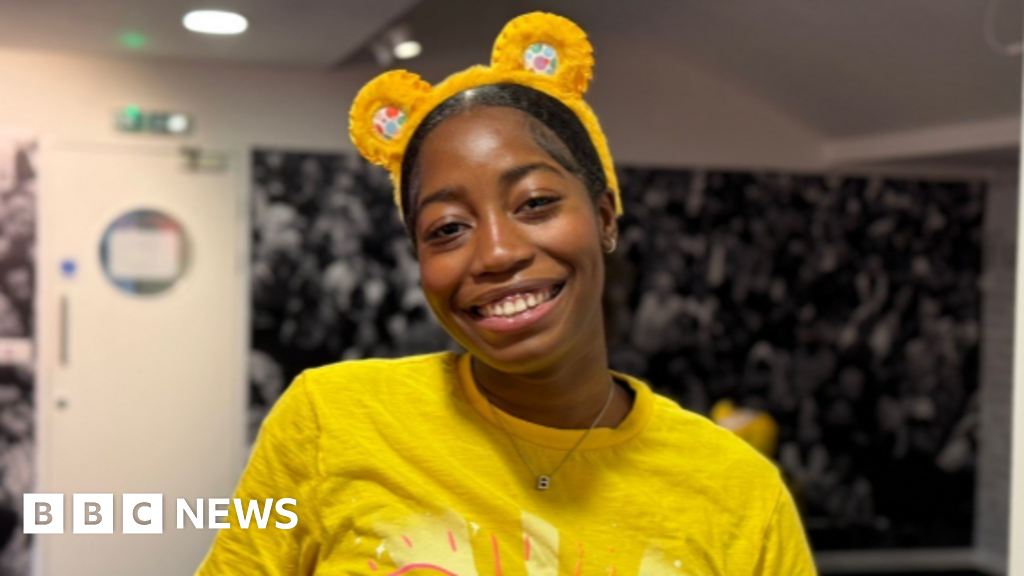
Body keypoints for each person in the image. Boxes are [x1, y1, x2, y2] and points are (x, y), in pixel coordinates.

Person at [196, 12, 816, 575]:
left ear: (605, 217)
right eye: (447, 230)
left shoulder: (740, 493)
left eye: (536, 203)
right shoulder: (328, 420)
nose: (496, 252)